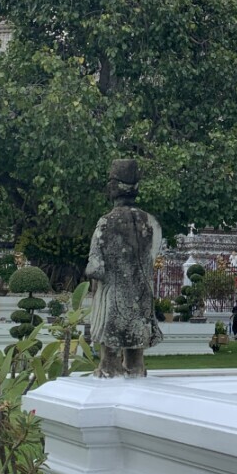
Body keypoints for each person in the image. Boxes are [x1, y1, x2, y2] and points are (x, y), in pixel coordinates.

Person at [85, 159, 162, 378]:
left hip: (114, 301)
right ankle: (135, 369)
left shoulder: (106, 222)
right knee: (135, 361)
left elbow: (95, 268)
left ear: (114, 187)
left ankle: (109, 368)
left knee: (109, 364)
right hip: (141, 298)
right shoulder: (151, 222)